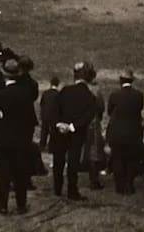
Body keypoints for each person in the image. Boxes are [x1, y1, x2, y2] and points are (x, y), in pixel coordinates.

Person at [0, 58, 36, 214]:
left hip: (4, 139)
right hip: (21, 140)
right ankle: (21, 205)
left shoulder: (0, 95)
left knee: (3, 174)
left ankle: (2, 205)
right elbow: (31, 119)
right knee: (21, 173)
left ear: (5, 75)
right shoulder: (26, 94)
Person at [53, 62, 99, 200]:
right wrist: (73, 127)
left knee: (59, 160)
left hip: (61, 130)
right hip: (76, 133)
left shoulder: (65, 90)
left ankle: (57, 188)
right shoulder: (90, 97)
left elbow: (55, 109)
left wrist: (59, 124)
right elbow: (87, 117)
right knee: (73, 162)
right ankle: (72, 190)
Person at [107, 70, 144, 195]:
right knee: (131, 159)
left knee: (118, 158)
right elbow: (139, 110)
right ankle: (129, 184)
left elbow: (109, 112)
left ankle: (120, 185)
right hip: (133, 132)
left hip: (117, 132)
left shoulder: (114, 95)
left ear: (120, 81)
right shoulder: (138, 95)